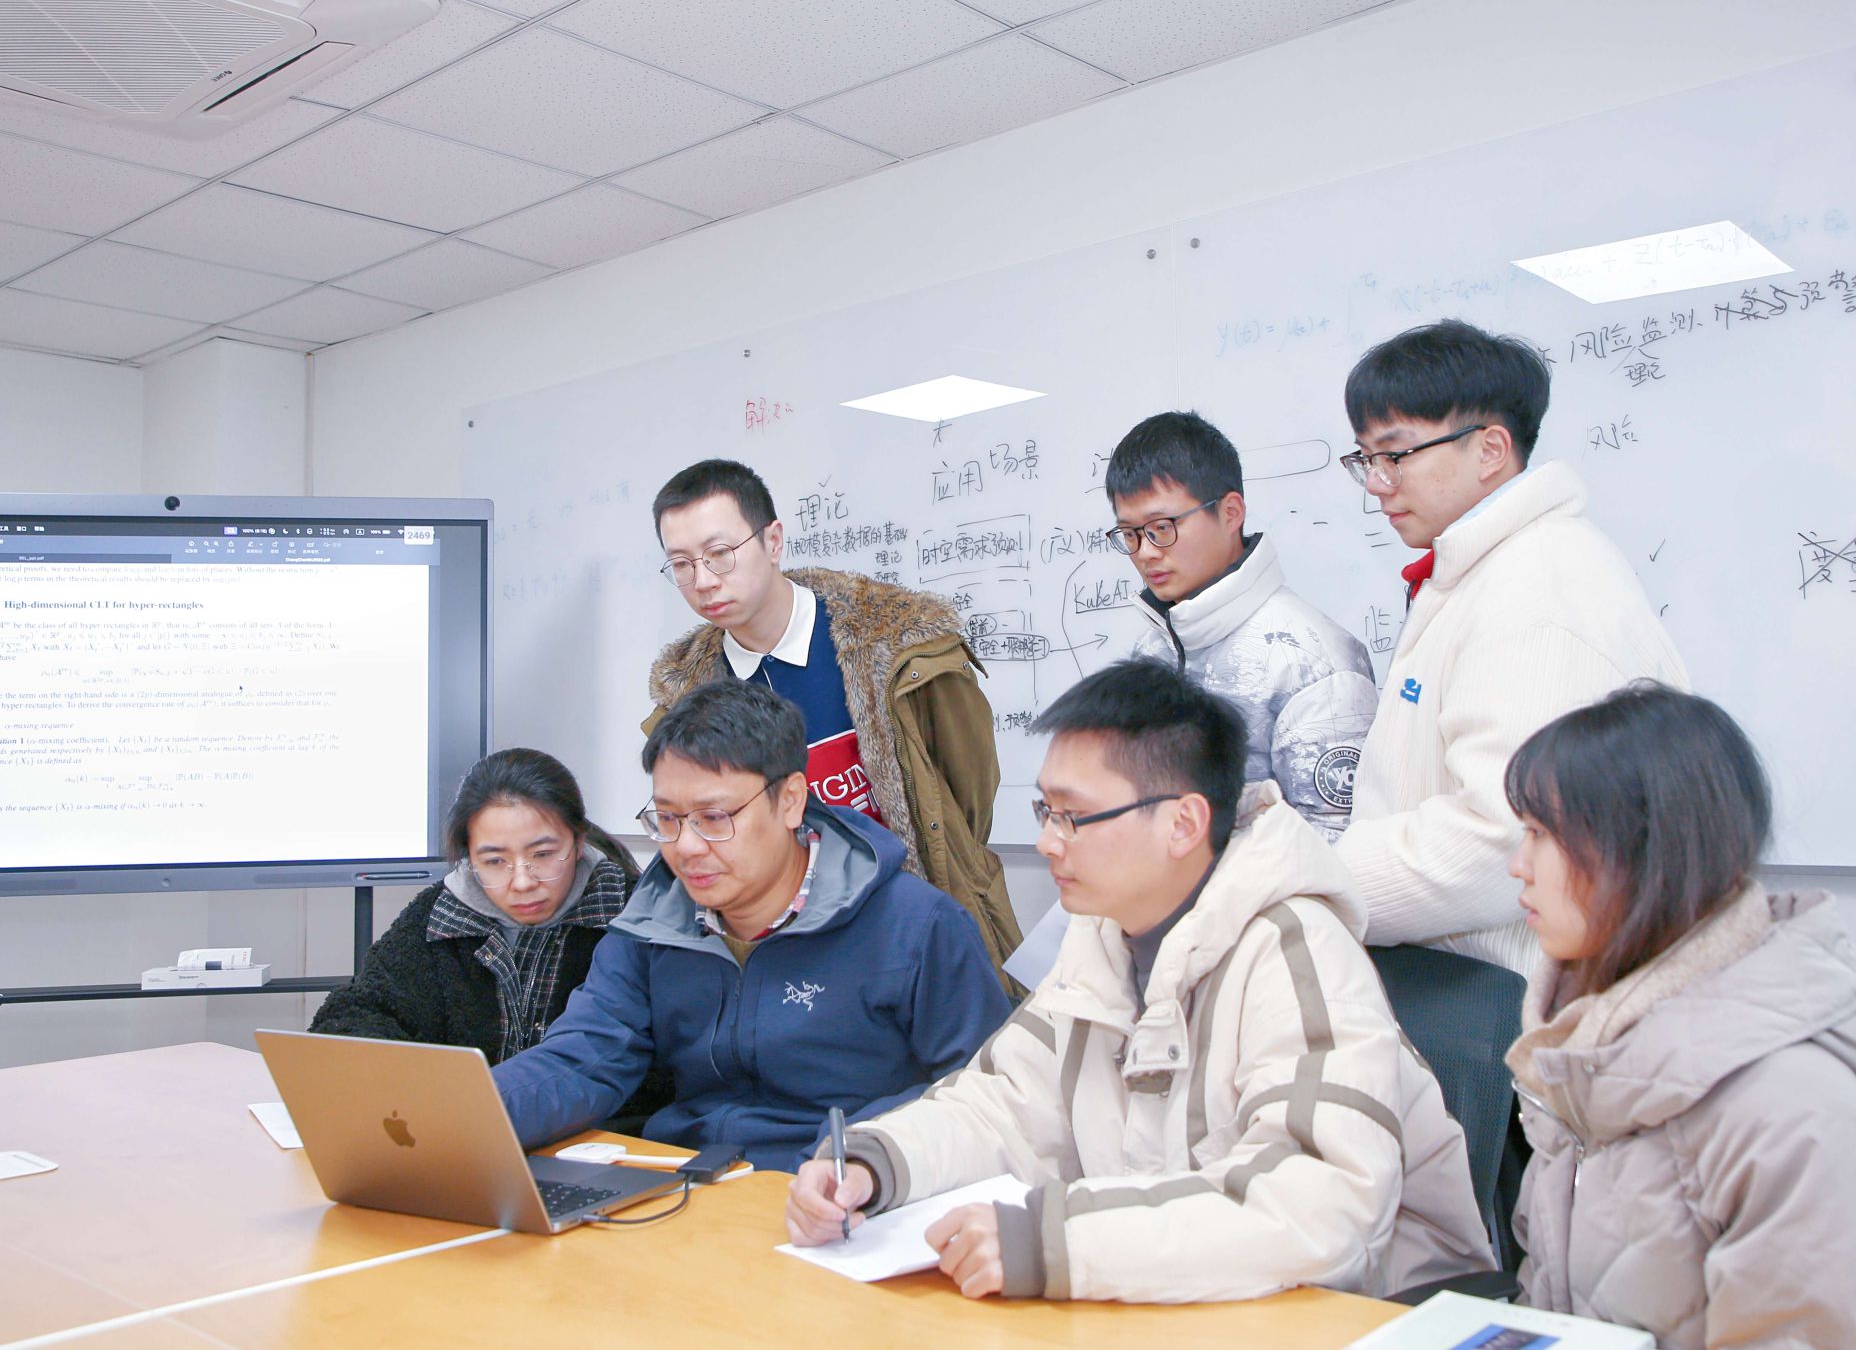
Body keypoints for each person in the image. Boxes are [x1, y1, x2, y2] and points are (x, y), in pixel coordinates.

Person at [784, 658, 1491, 1302]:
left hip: (1361, 1314)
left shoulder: (1295, 948)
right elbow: (1004, 1105)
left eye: (1074, 816)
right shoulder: (1103, 936)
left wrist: (1057, 1243)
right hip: (1182, 1300)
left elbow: (1318, 1203)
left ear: (1183, 823)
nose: (1047, 842)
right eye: (1045, 811)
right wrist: (874, 1164)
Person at [492, 678, 1009, 1172]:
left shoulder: (917, 927)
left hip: (842, 1186)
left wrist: (860, 1159)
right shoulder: (652, 921)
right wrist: (467, 1115)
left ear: (790, 801)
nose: (686, 847)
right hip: (689, 1185)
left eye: (714, 818)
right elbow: (582, 1059)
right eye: (667, 819)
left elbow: (979, 1092)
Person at [1502, 684, 1856, 1348]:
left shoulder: (1790, 1110)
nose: (1518, 866)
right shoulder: (1580, 1053)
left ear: (1643, 851)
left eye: (1540, 834)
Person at [1334, 319, 1686, 976]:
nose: (1377, 483)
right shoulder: (1488, 569)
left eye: (1395, 455)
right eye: (1366, 460)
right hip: (1473, 988)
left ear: (1490, 449)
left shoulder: (1539, 586)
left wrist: (1317, 880)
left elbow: (1501, 838)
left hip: (1514, 1004)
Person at [644, 458, 1021, 979]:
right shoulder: (687, 699)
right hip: (788, 957)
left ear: (772, 542)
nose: (703, 581)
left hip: (919, 929)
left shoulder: (899, 647)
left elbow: (967, 792)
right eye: (682, 565)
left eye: (720, 554)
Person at [311, 749, 658, 1090]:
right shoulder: (439, 914)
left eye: (543, 855)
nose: (522, 882)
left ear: (579, 842)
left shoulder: (634, 912)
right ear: (469, 856)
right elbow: (356, 1015)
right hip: (461, 1120)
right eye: (494, 861)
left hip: (605, 1125)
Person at [1110, 411, 1375, 839]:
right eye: (1129, 534)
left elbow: (1334, 848)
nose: (1145, 552)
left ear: (1230, 513)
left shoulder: (1314, 663)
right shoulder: (1151, 650)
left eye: (1162, 527)